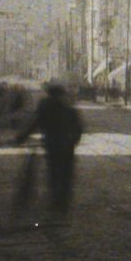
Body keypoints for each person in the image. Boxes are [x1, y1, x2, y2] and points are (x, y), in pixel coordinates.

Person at [31, 81, 84, 220]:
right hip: (65, 147)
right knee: (65, 175)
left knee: (55, 173)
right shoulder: (68, 109)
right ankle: (62, 201)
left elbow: (35, 122)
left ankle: (58, 201)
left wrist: (22, 136)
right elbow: (78, 128)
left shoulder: (46, 107)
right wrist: (73, 141)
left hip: (54, 146)